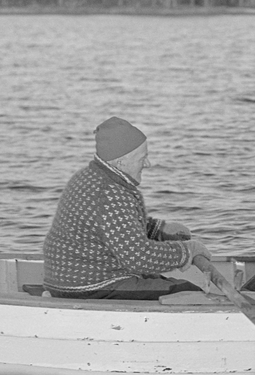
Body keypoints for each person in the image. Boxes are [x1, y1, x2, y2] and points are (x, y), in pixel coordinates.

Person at [42, 117, 210, 299]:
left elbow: (113, 226)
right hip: (92, 285)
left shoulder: (90, 177)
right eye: (142, 158)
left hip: (68, 280)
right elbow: (139, 258)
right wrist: (187, 251)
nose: (148, 164)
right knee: (188, 293)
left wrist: (157, 230)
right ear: (121, 163)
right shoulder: (110, 194)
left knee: (162, 282)